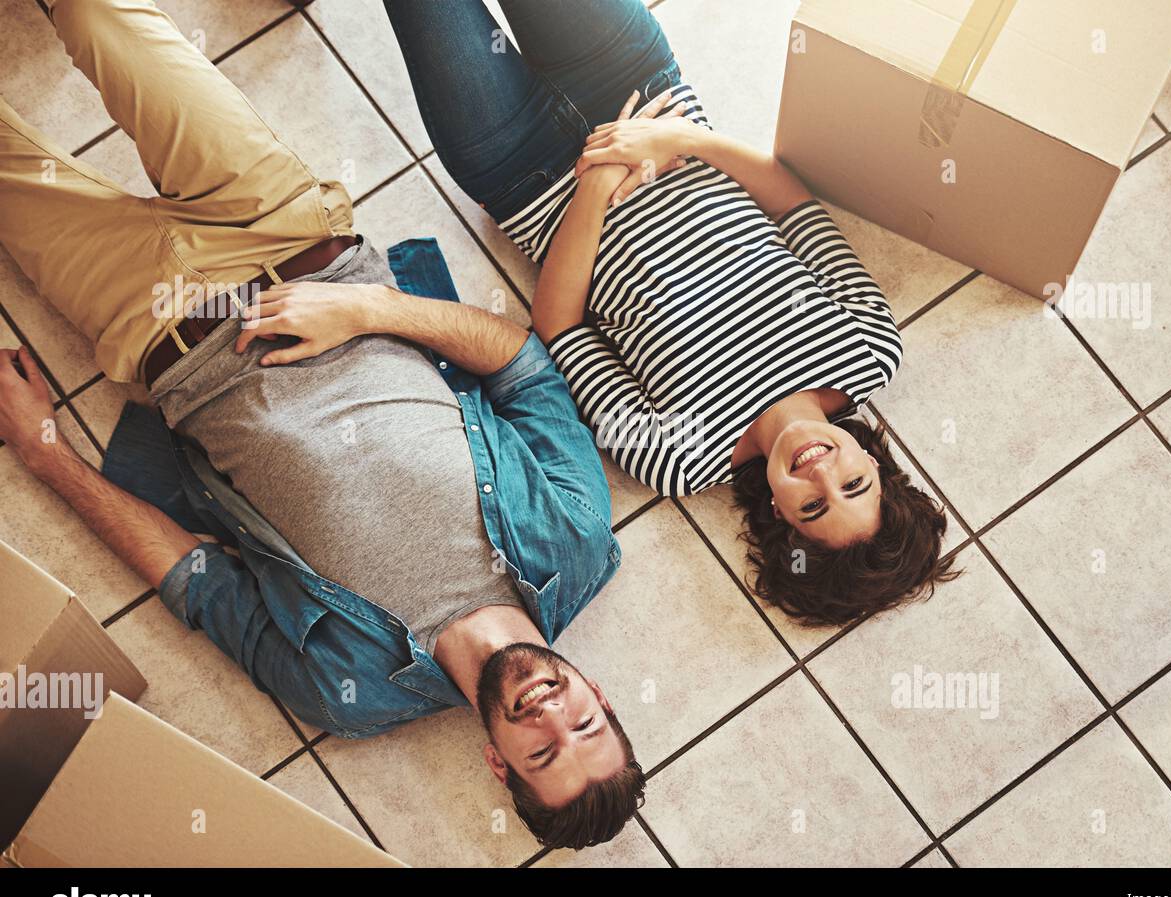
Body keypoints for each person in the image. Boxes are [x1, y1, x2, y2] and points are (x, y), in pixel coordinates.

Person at [0, 0, 643, 850]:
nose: (551, 718)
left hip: (154, 331)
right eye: (585, 728)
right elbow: (519, 359)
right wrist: (369, 307)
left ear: (499, 763)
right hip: (291, 233)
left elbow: (193, 578)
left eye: (541, 753)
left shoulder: (351, 693)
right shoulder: (575, 540)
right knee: (103, 17)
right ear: (599, 694)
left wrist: (47, 456)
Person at [383, 0, 957, 627]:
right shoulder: (870, 350)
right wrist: (676, 138)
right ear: (876, 465)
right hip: (635, 81)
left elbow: (559, 328)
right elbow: (789, 200)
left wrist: (597, 185)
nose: (822, 474)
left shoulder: (676, 461)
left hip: (522, 170)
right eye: (853, 486)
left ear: (780, 520)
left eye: (813, 508)